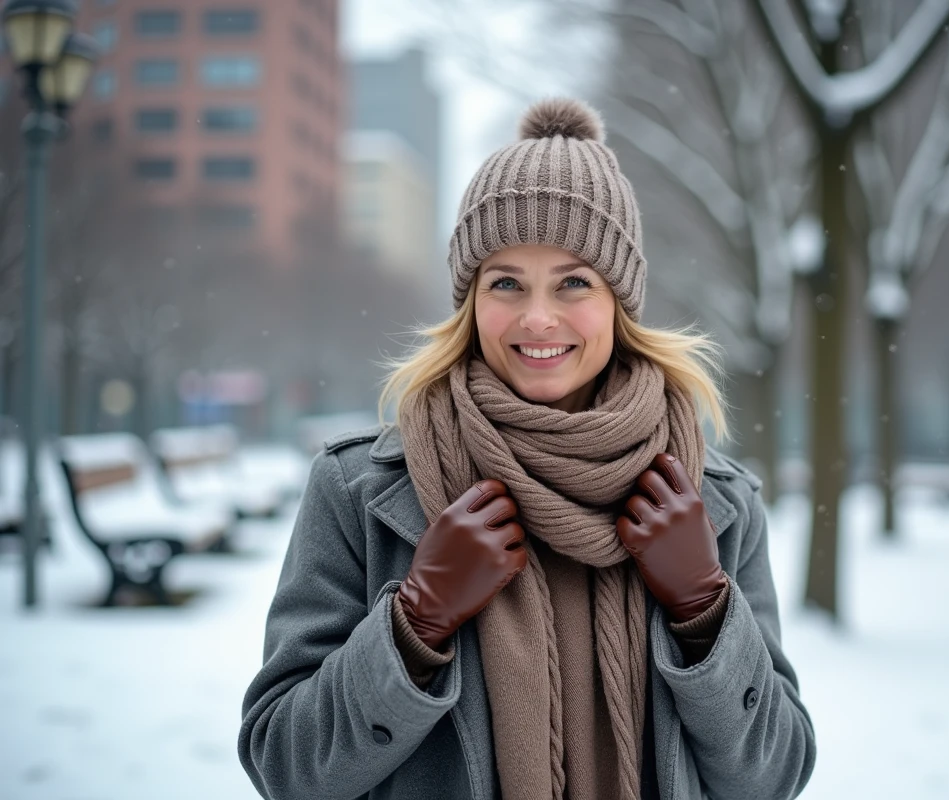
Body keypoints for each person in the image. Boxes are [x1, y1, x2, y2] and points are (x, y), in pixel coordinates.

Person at [238, 97, 816, 800]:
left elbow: (774, 778)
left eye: (574, 282)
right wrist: (414, 622)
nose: (537, 318)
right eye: (505, 283)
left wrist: (705, 610)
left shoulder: (716, 502)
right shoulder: (359, 490)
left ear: (619, 301)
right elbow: (286, 769)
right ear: (470, 303)